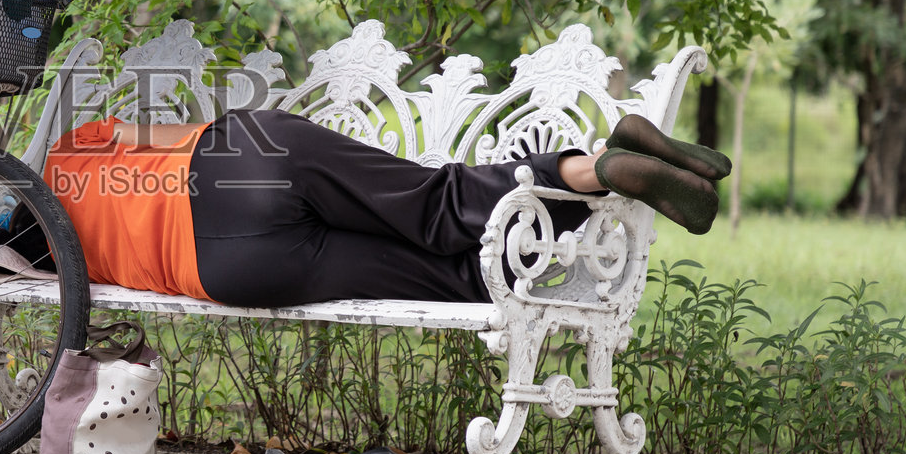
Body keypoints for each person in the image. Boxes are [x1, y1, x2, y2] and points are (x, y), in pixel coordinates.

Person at [41, 109, 729, 308]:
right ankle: (589, 168)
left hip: (224, 261)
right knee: (437, 202)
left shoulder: (54, 252)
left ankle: (604, 177)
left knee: (454, 278)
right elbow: (158, 136)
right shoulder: (70, 151)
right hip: (238, 155)